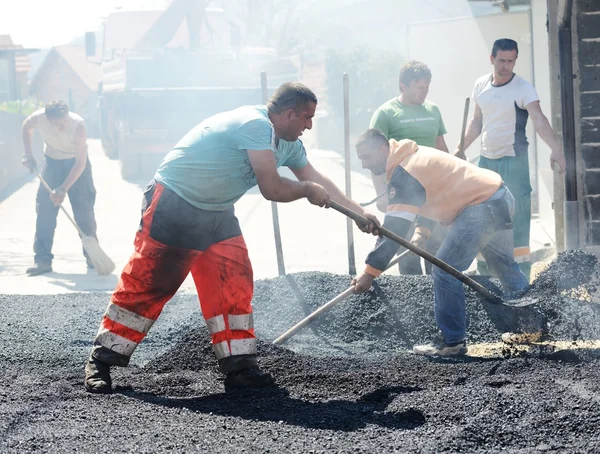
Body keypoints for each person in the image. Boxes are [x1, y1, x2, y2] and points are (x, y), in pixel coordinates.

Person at [84, 82, 380, 393]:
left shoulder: (288, 143)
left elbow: (316, 178)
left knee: (233, 282)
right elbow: (273, 188)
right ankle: (102, 360)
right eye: (307, 118)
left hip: (217, 211)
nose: (309, 125)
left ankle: (239, 368)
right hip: (175, 203)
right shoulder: (255, 126)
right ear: (289, 113)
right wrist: (305, 192)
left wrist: (359, 213)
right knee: (149, 284)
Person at [352, 129, 529, 357]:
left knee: (445, 269)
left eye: (366, 157)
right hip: (499, 198)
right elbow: (431, 195)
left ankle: (451, 341)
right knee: (505, 268)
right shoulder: (413, 158)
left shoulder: (405, 171)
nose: (364, 165)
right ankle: (535, 326)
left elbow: (394, 228)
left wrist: (369, 272)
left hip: (481, 207)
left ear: (383, 150)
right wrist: (423, 231)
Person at [455, 38, 566, 281]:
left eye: (511, 61)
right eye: (502, 60)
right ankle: (487, 275)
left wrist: (556, 148)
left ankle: (520, 280)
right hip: (486, 162)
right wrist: (461, 147)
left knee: (517, 217)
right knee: (482, 216)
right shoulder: (480, 85)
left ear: (515, 60)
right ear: (492, 59)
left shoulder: (523, 89)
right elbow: (476, 121)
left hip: (514, 161)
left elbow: (539, 119)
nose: (506, 66)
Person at [369, 60, 448, 276]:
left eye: (427, 87)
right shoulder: (386, 113)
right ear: (403, 86)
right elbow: (374, 158)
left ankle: (437, 291)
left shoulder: (433, 110)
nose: (425, 92)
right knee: (408, 250)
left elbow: (442, 149)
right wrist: (380, 195)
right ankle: (414, 296)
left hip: (434, 191)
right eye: (419, 87)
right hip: (403, 194)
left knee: (436, 247)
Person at [21, 101, 98, 276]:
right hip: (52, 163)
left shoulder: (78, 126)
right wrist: (28, 154)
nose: (62, 127)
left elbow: (80, 163)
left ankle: (93, 256)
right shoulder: (39, 118)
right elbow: (26, 126)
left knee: (84, 213)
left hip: (78, 166)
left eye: (64, 123)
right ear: (48, 119)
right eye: (57, 124)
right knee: (45, 211)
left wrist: (63, 189)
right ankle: (42, 260)